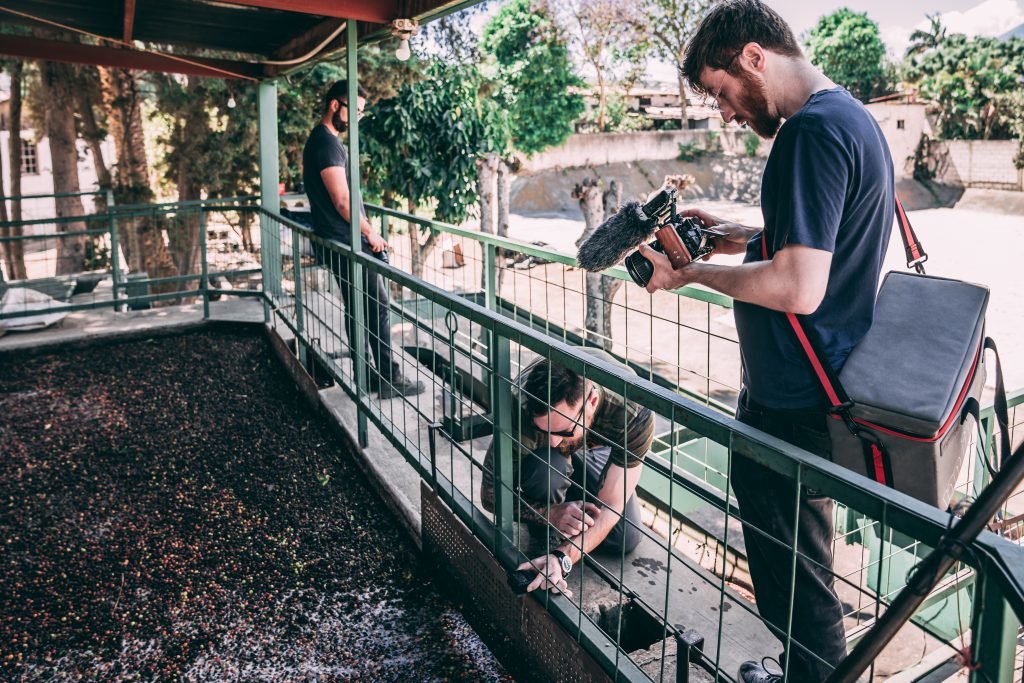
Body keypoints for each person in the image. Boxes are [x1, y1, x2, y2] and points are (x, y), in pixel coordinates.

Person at [639, 1, 895, 681]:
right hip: (817, 385)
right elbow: (811, 233)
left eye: (722, 93)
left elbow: (797, 285)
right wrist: (728, 229)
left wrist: (690, 271)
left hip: (796, 397)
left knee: (798, 580)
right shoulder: (849, 116)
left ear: (754, 57)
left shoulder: (808, 133)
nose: (725, 112)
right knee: (802, 567)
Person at [480, 349, 655, 595]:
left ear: (591, 402)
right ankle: (548, 527)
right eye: (543, 429)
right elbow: (490, 495)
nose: (553, 441)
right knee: (548, 466)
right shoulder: (519, 404)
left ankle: (569, 499)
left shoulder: (635, 411)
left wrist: (563, 557)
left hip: (598, 451)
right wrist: (550, 513)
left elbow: (613, 505)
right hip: (544, 461)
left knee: (623, 537)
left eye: (562, 431)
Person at [302, 80, 423, 398]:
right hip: (345, 242)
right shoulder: (327, 144)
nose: (355, 116)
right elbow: (342, 201)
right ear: (334, 105)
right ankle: (388, 378)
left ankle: (366, 375)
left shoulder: (324, 141)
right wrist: (370, 232)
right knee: (377, 306)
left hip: (339, 240)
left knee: (359, 308)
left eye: (359, 112)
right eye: (352, 110)